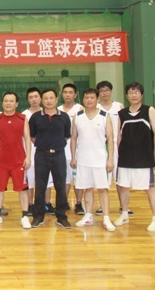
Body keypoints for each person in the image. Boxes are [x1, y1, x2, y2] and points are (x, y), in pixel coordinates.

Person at [114, 82, 155, 232]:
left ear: (141, 94)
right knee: (124, 187)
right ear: (126, 95)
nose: (133, 95)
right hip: (125, 157)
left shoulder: (149, 110)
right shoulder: (121, 113)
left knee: (149, 189)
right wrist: (117, 155)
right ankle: (124, 214)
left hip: (144, 157)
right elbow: (119, 136)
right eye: (130, 92)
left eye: (136, 92)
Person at [70, 89, 115, 231]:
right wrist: (73, 157)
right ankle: (88, 216)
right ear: (83, 100)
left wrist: (110, 160)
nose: (89, 100)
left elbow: (111, 140)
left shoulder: (104, 116)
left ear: (97, 99)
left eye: (92, 98)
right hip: (83, 159)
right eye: (87, 98)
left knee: (102, 189)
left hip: (100, 160)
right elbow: (74, 138)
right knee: (87, 188)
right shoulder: (77, 116)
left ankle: (106, 218)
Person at [0, 92, 32, 229]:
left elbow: (27, 138)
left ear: (16, 104)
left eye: (11, 101)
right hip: (1, 161)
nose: (8, 103)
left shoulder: (22, 118)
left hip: (19, 161)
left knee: (22, 189)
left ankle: (25, 216)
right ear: (2, 103)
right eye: (6, 101)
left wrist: (28, 156)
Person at [29, 89, 72, 229]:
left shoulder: (64, 117)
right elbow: (32, 136)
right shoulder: (35, 117)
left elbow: (66, 136)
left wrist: (55, 145)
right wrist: (44, 145)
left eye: (51, 98)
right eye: (46, 98)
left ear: (56, 99)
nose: (48, 101)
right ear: (42, 100)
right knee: (40, 186)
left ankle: (61, 216)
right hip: (41, 155)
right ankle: (38, 216)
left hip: (59, 155)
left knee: (60, 186)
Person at [95, 80, 128, 216]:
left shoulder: (119, 106)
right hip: (102, 148)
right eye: (102, 91)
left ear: (111, 91)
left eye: (107, 90)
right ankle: (102, 206)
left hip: (118, 146)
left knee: (121, 179)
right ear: (98, 93)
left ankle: (124, 207)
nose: (105, 93)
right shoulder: (95, 108)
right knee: (103, 179)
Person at [21, 88, 53, 216]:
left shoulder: (48, 113)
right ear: (27, 100)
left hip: (46, 153)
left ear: (40, 98)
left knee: (47, 180)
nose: (34, 99)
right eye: (31, 97)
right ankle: (30, 204)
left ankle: (47, 203)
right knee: (30, 181)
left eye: (36, 96)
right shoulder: (23, 115)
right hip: (29, 153)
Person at [58, 83, 84, 214]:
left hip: (77, 150)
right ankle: (64, 202)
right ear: (61, 94)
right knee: (64, 179)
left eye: (70, 92)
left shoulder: (80, 109)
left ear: (75, 94)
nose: (68, 95)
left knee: (78, 179)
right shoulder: (57, 110)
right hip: (61, 150)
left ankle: (79, 203)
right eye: (65, 92)